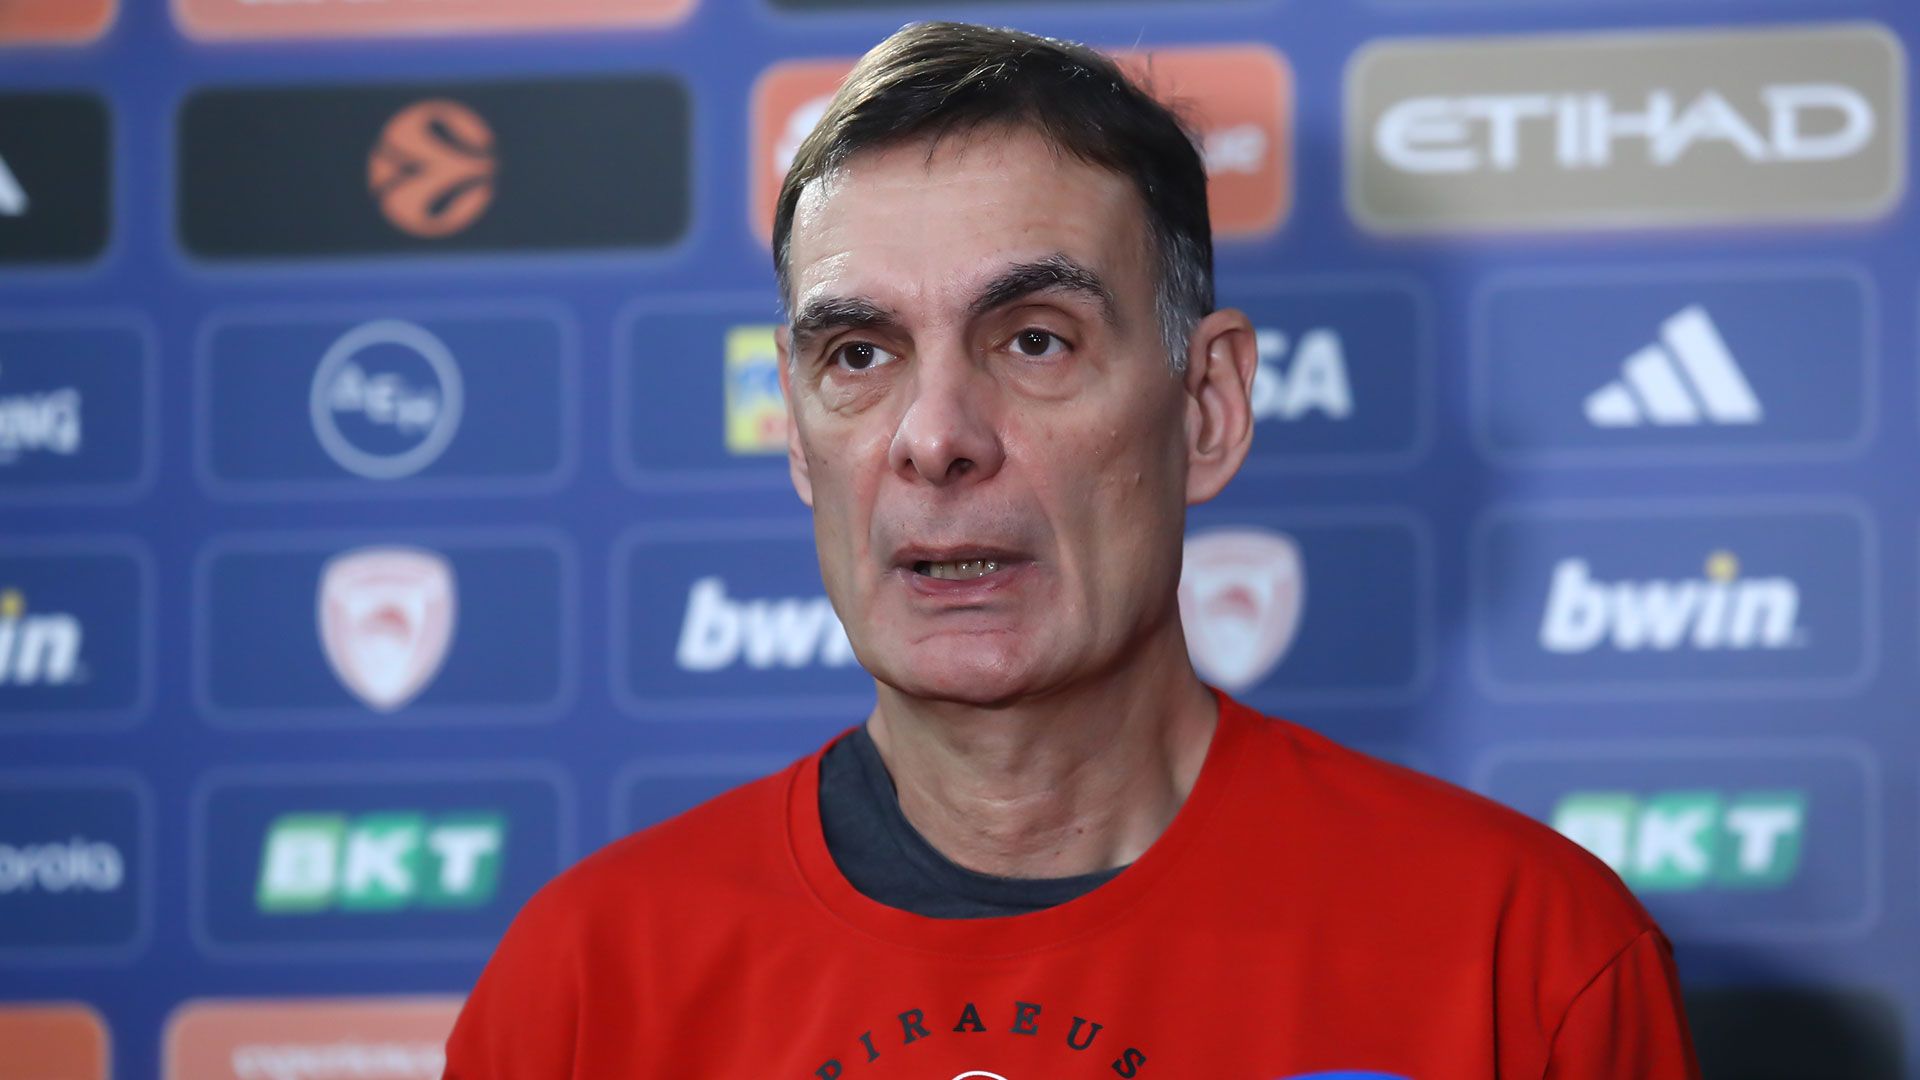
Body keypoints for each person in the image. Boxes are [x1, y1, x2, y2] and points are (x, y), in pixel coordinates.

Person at [444, 21, 1700, 1078]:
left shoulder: (1524, 957)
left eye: (1034, 340)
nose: (936, 438)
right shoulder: (584, 989)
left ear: (1207, 407)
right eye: (860, 355)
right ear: (799, 436)